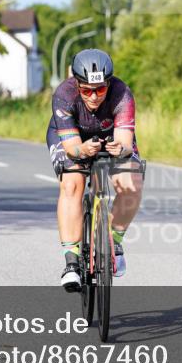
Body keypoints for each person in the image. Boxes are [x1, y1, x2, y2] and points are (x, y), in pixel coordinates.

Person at [47, 48, 144, 291]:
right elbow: (72, 148)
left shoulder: (122, 94)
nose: (93, 96)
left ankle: (114, 242)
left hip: (110, 135)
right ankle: (71, 262)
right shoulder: (64, 94)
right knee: (72, 185)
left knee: (131, 185)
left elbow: (124, 141)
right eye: (87, 90)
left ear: (109, 84)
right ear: (77, 84)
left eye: (100, 90)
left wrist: (119, 149)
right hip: (73, 138)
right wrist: (81, 150)